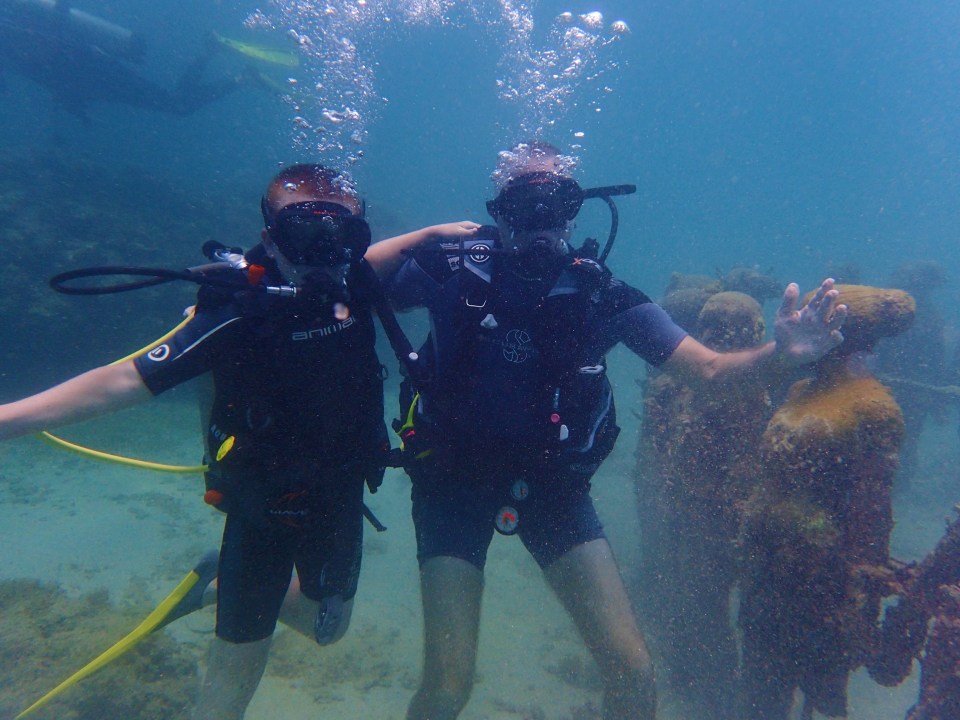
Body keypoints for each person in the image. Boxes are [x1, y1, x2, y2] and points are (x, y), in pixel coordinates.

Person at [385, 141, 848, 720]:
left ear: (574, 212)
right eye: (522, 206)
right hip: (451, 484)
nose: (538, 223)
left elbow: (708, 371)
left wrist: (785, 356)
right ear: (498, 211)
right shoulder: (451, 268)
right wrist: (421, 238)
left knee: (633, 672)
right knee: (448, 685)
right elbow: (354, 284)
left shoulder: (599, 293)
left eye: (553, 205)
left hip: (553, 488)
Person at [0, 162, 478, 720]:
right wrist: (9, 419)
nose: (323, 256)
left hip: (340, 494)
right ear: (269, 239)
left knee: (330, 628)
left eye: (340, 238)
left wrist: (426, 235)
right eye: (304, 237)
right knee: (227, 694)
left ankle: (209, 586)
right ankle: (227, 591)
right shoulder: (238, 308)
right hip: (260, 504)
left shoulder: (356, 280)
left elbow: (370, 259)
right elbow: (124, 379)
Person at [0, 0, 264, 120]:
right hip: (96, 72)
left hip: (97, 74)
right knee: (176, 103)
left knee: (177, 105)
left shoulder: (11, 34)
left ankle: (223, 63)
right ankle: (222, 62)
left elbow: (50, 59)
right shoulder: (13, 29)